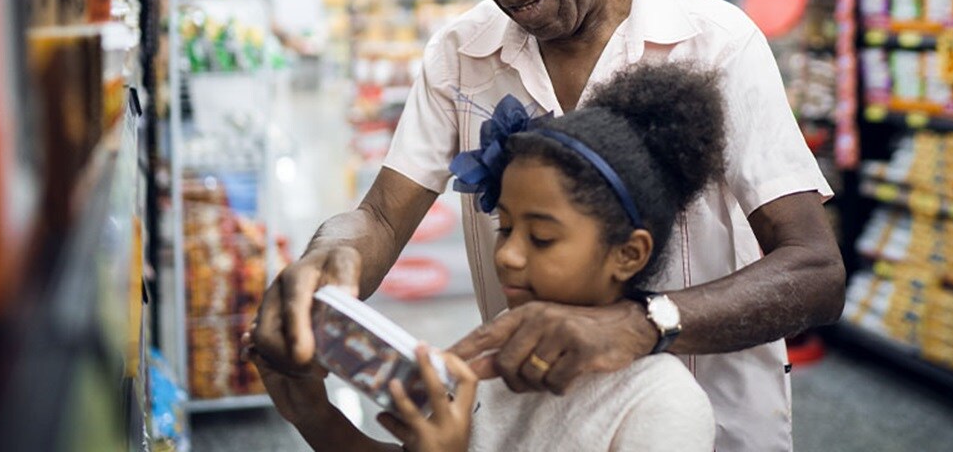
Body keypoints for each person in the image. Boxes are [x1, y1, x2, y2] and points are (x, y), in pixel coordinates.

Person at [251, 0, 845, 452]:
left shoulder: (716, 44)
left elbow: (815, 270)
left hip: (710, 422)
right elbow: (383, 219)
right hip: (536, 418)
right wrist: (328, 260)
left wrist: (643, 322)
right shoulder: (461, 55)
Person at [250, 63, 722, 451]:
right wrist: (314, 414)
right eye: (505, 228)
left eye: (541, 237)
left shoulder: (661, 405)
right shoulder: (500, 348)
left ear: (628, 253)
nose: (508, 255)